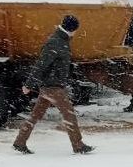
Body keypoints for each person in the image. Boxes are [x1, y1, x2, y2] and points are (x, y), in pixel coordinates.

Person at [13, 15, 94, 154]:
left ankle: (20, 141)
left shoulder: (62, 40)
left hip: (50, 85)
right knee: (69, 114)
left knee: (35, 115)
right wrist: (28, 84)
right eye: (76, 30)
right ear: (71, 29)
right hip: (52, 86)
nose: (76, 33)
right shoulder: (55, 42)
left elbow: (57, 62)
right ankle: (78, 145)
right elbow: (41, 65)